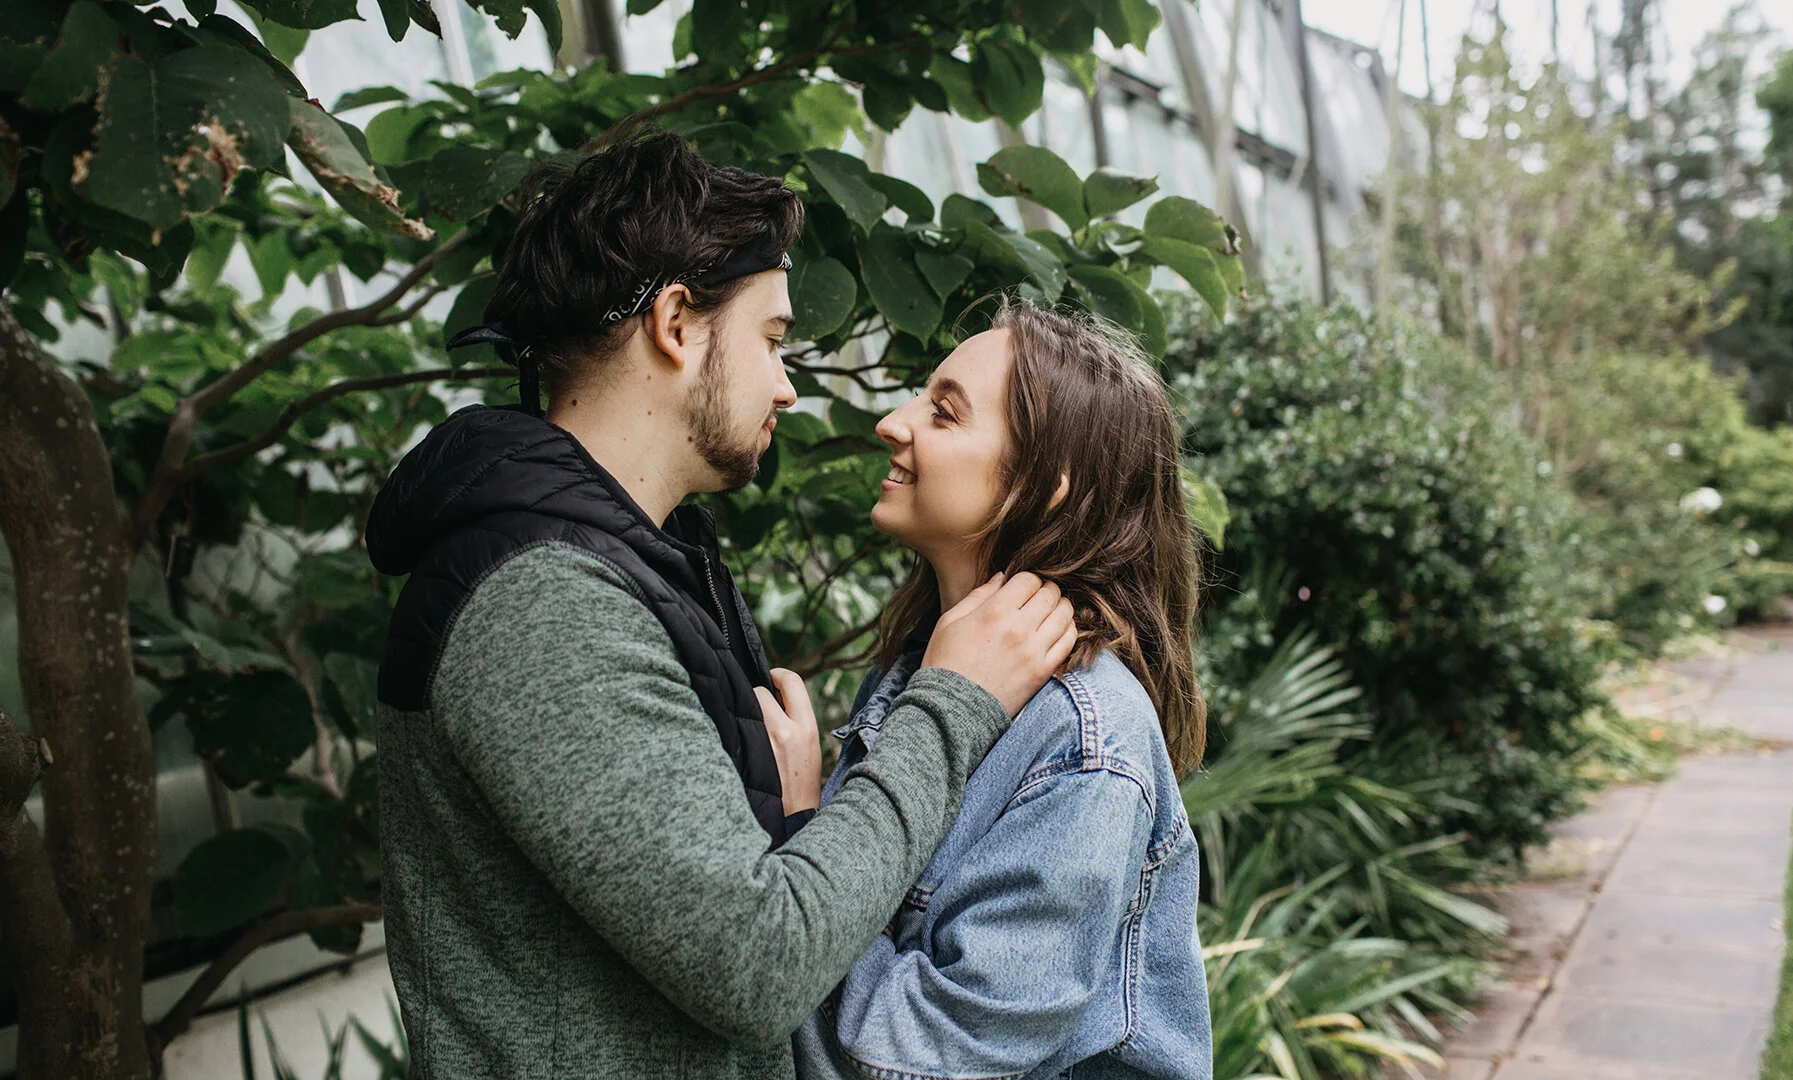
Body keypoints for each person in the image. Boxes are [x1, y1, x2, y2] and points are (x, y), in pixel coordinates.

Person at [365, 131, 1077, 1080]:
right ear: (674, 323)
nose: (786, 386)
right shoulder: (541, 603)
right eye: (773, 341)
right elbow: (759, 965)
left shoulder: (635, 560)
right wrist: (950, 702)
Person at [783, 300, 1215, 1080]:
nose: (893, 422)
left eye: (943, 414)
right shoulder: (921, 669)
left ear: (1042, 491)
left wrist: (799, 832)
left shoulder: (1086, 741)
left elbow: (925, 1055)